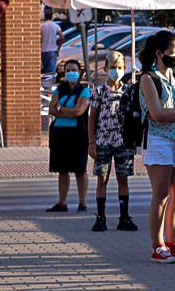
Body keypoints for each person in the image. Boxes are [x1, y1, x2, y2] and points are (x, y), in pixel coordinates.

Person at [139, 31, 175, 263]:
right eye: (173, 53)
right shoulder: (148, 78)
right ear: (159, 53)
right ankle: (158, 244)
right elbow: (157, 114)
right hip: (157, 140)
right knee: (161, 194)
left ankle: (174, 240)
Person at [87, 50, 137, 232]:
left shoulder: (129, 91)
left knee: (123, 179)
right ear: (106, 69)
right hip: (103, 141)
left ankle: (124, 217)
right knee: (102, 179)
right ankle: (101, 217)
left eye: (120, 67)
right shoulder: (99, 91)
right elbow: (92, 118)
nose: (116, 71)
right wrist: (91, 142)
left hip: (123, 141)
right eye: (113, 68)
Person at [47, 59, 91, 213]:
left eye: (74, 70)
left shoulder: (84, 90)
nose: (71, 73)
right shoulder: (59, 89)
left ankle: (82, 203)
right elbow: (51, 109)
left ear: (79, 72)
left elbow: (80, 110)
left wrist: (61, 109)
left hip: (78, 134)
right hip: (60, 133)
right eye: (68, 71)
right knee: (62, 169)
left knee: (80, 169)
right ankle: (62, 202)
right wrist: (66, 110)